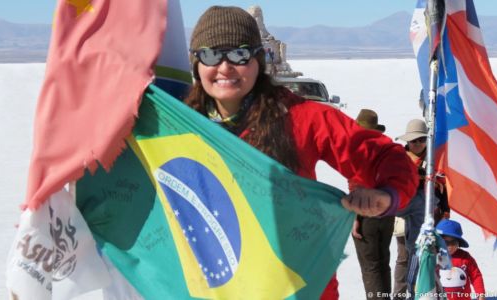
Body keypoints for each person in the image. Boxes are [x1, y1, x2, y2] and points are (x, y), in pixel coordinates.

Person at [184, 6, 418, 299]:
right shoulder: (179, 125)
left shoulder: (298, 117)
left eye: (239, 54)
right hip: (214, 286)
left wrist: (387, 194)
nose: (225, 66)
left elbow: (383, 155)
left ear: (258, 59)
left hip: (296, 285)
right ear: (196, 63)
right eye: (210, 55)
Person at [395, 119, 449, 299]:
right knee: (406, 256)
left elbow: (443, 185)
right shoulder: (398, 158)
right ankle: (403, 293)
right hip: (402, 212)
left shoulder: (435, 159)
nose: (417, 144)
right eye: (413, 140)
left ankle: (432, 292)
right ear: (407, 142)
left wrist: (445, 210)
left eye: (420, 140)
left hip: (431, 214)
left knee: (430, 254)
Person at [350, 109, 395, 300]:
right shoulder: (387, 150)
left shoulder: (359, 152)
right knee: (383, 261)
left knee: (371, 266)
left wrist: (355, 218)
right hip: (387, 211)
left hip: (367, 213)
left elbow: (356, 187)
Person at [436, 219, 485, 300]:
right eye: (445, 243)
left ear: (459, 243)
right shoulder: (434, 257)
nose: (450, 246)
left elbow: (476, 276)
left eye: (453, 243)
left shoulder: (465, 257)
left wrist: (480, 295)